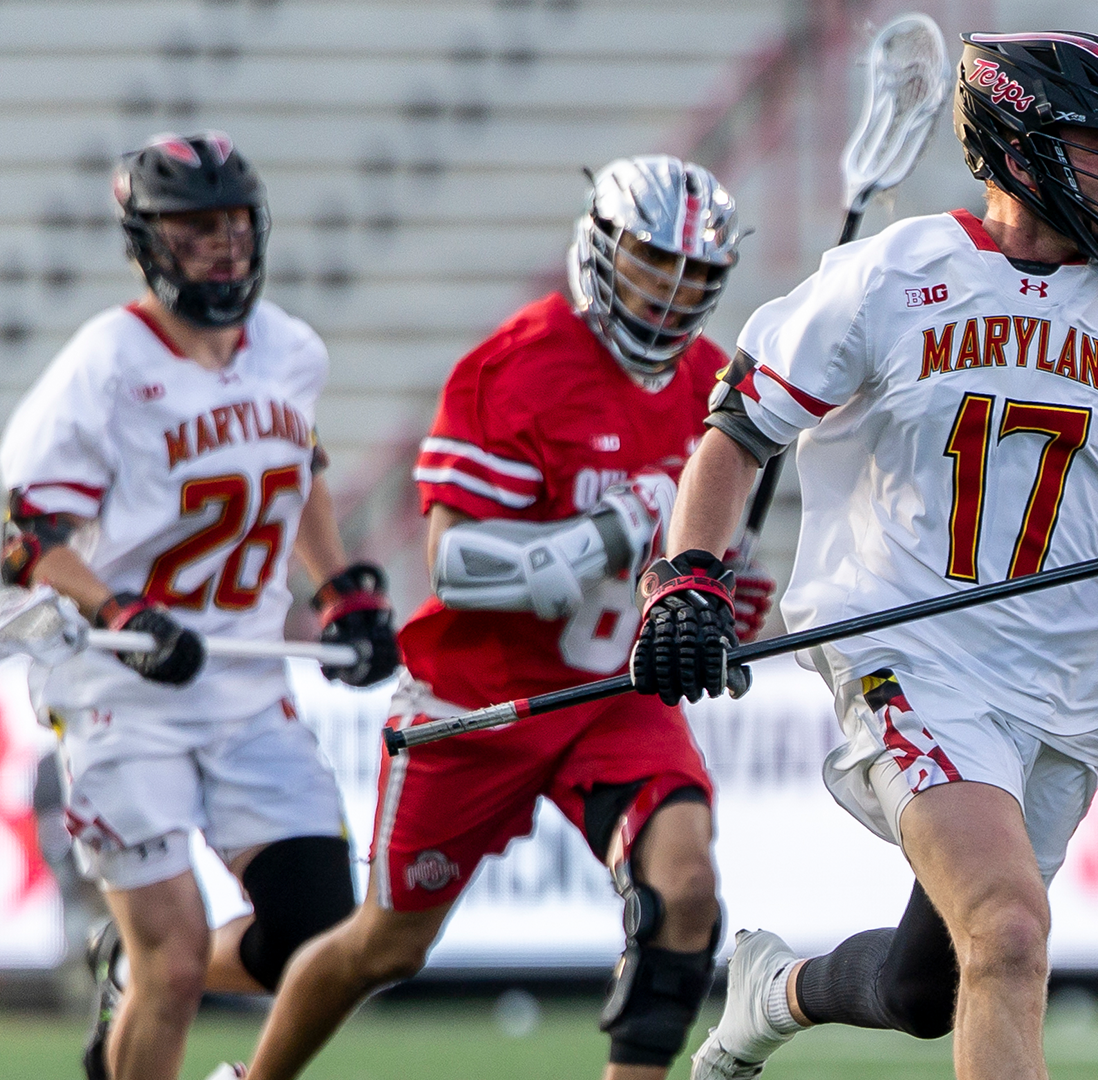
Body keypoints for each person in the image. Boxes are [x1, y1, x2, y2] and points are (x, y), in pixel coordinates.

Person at [636, 31, 1098, 1080]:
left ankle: (772, 990)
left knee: (932, 987)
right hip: (911, 652)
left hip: (1069, 679)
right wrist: (686, 583)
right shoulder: (892, 273)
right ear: (1021, 147)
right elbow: (738, 434)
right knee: (1011, 931)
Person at [232, 155, 773, 1080]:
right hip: (479, 698)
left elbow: (709, 540)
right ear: (601, 253)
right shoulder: (515, 368)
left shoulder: (709, 383)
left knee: (683, 891)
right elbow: (457, 562)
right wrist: (609, 528)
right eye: (652, 263)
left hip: (614, 693)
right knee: (386, 946)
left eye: (695, 277)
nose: (670, 295)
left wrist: (718, 592)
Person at [0, 130, 399, 1080]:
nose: (221, 247)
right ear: (147, 243)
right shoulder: (105, 364)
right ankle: (142, 989)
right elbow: (24, 537)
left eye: (231, 225)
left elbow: (297, 467)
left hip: (244, 683)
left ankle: (128, 979)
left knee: (322, 935)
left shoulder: (291, 350)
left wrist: (337, 588)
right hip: (117, 690)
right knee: (174, 963)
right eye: (193, 230)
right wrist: (124, 613)